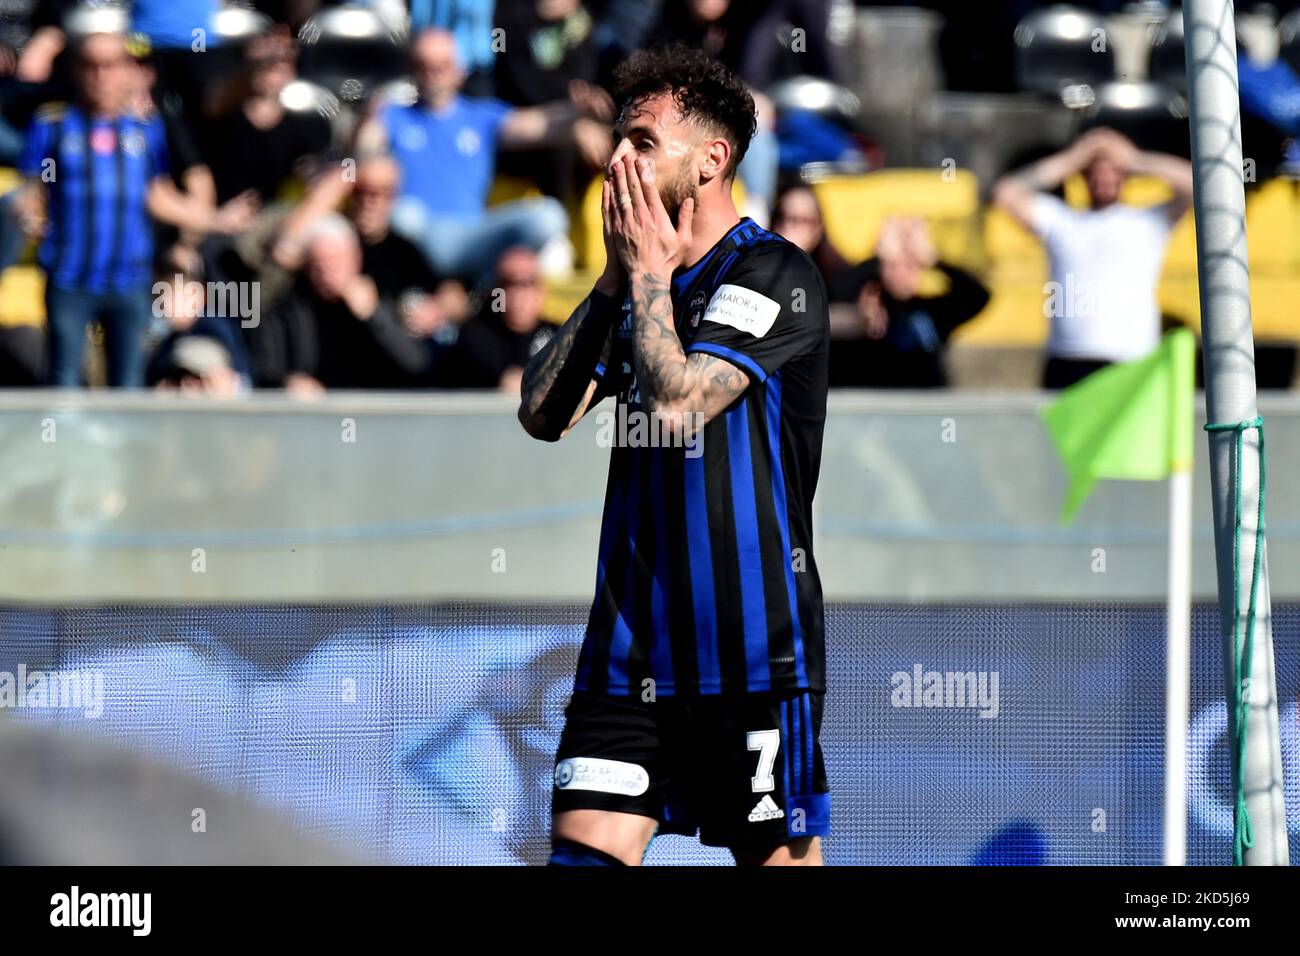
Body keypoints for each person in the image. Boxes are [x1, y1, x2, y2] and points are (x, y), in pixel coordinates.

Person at [518, 44, 830, 866]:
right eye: (619, 138)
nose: (618, 158)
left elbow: (679, 404)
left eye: (644, 141)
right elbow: (541, 413)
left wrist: (648, 279)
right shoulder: (636, 285)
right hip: (627, 657)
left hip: (753, 652)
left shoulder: (774, 272)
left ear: (711, 160)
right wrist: (619, 282)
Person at [13, 30, 256, 387]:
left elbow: (156, 196)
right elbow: (30, 191)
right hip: (69, 276)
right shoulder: (52, 125)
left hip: (128, 279)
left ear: (126, 69)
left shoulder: (145, 129)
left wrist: (214, 219)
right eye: (91, 66)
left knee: (128, 384)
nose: (101, 76)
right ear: (77, 70)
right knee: (64, 379)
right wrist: (30, 214)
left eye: (110, 66)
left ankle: (121, 445)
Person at [352, 28, 612, 281]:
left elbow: (538, 125)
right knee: (401, 215)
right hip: (416, 234)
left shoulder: (480, 117)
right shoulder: (393, 115)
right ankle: (475, 285)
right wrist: (369, 112)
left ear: (459, 70)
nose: (433, 75)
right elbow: (362, 151)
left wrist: (577, 112)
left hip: (472, 235)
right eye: (424, 66)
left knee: (549, 216)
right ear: (412, 70)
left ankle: (484, 286)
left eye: (442, 66)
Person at [992, 127, 1193, 389]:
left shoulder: (1149, 221)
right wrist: (1074, 158)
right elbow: (1006, 193)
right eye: (1095, 171)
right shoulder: (1061, 221)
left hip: (1131, 359)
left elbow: (1194, 183)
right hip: (1068, 360)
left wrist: (1134, 159)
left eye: (1112, 171)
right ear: (1083, 177)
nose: (1104, 179)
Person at [246, 214, 432, 391]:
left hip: (372, 413)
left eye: (335, 262)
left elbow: (417, 364)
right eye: (319, 265)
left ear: (356, 258)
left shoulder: (380, 300)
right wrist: (287, 384)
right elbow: (264, 371)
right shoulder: (286, 310)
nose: (327, 274)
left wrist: (374, 315)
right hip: (312, 414)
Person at [827, 217, 990, 388]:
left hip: (924, 407)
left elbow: (978, 296)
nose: (901, 273)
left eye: (910, 265)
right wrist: (877, 257)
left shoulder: (934, 310)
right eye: (892, 265)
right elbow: (833, 292)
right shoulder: (864, 307)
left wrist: (934, 259)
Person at [451, 246, 553, 392]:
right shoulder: (476, 335)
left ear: (540, 291)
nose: (518, 293)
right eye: (509, 283)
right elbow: (508, 382)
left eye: (527, 282)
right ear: (496, 291)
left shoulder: (561, 334)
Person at [771, 183, 847, 286]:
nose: (787, 225)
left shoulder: (839, 280)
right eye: (781, 216)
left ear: (818, 227)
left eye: (799, 220)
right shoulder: (756, 267)